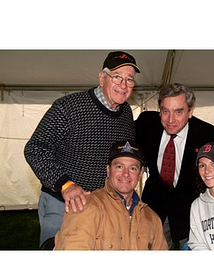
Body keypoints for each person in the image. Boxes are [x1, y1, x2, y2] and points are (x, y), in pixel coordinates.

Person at [24, 51, 140, 247]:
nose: (123, 85)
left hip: (103, 207)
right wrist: (66, 185)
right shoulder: (68, 107)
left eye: (129, 80)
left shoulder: (126, 113)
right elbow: (35, 149)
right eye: (117, 77)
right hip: (63, 203)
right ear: (102, 78)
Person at [135, 83, 214, 249]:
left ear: (190, 111)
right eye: (165, 111)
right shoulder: (146, 125)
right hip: (154, 210)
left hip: (192, 214)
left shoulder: (208, 135)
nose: (170, 119)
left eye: (178, 111)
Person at [54, 140, 168, 250]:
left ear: (139, 175)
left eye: (133, 168)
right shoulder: (85, 206)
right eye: (119, 166)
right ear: (108, 170)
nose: (126, 174)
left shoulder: (152, 219)